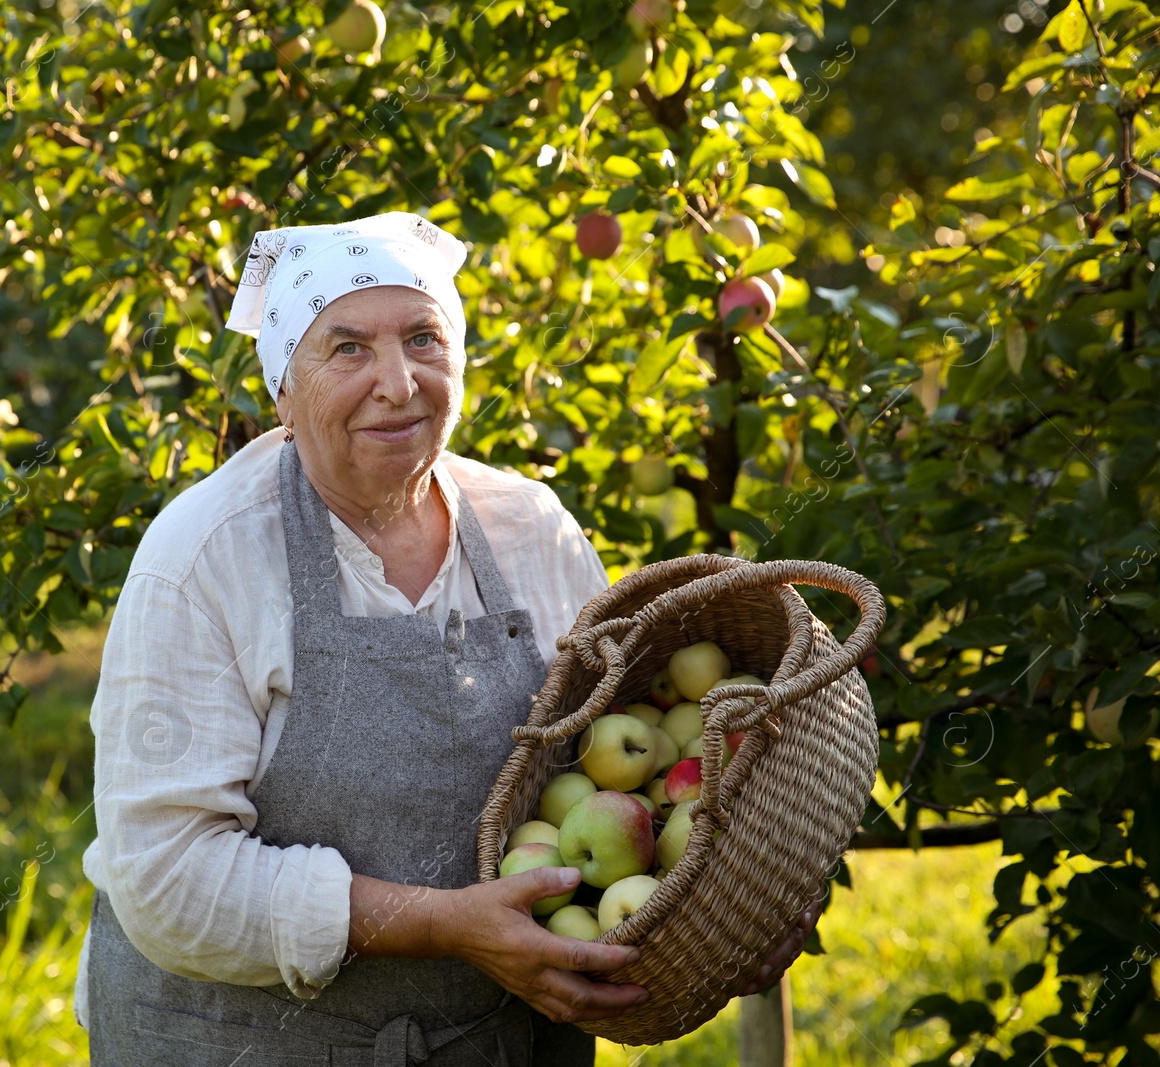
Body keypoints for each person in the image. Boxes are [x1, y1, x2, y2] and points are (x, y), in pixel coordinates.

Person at [73, 211, 815, 1066]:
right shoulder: (206, 558)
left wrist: (729, 905)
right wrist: (439, 925)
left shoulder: (530, 529)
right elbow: (167, 876)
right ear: (283, 386)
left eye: (424, 338)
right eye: (347, 348)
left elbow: (616, 768)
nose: (398, 382)